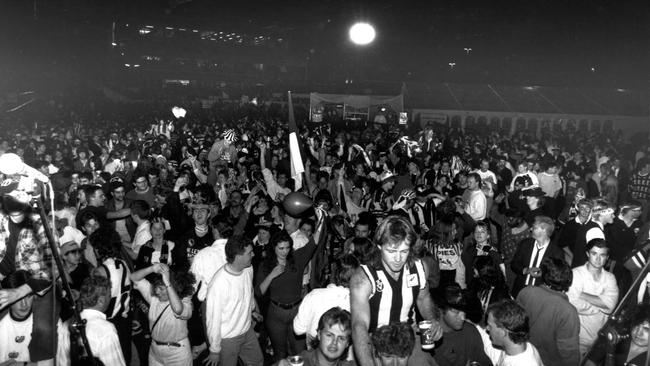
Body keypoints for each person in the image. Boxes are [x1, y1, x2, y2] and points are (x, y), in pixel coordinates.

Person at [350, 215, 441, 366]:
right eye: (392, 251)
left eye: (404, 251)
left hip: (408, 337)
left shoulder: (418, 268)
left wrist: (432, 319)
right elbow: (359, 325)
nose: (398, 258)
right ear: (379, 247)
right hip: (376, 340)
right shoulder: (363, 277)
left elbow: (423, 298)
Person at [204, 235, 264, 366]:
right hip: (228, 338)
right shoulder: (218, 284)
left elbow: (248, 292)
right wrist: (214, 350)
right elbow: (213, 320)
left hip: (247, 330)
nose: (253, 255)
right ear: (238, 256)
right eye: (250, 253)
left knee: (257, 362)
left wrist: (252, 310)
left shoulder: (248, 269)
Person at [516, 258, 580, 366]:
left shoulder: (526, 292)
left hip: (522, 357)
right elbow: (569, 353)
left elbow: (514, 325)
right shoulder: (568, 311)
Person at [131, 263, 196, 366]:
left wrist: (167, 282)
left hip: (177, 353)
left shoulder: (185, 301)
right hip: (155, 351)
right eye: (156, 287)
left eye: (161, 288)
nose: (157, 291)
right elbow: (134, 278)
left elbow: (178, 309)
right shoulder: (155, 299)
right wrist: (152, 268)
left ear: (173, 287)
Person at [57, 276, 127, 366]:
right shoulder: (106, 330)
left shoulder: (66, 324)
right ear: (101, 301)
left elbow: (61, 361)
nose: (111, 298)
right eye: (109, 295)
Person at [567, 238, 619, 357]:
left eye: (602, 255)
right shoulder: (575, 274)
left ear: (607, 257)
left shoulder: (610, 278)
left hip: (600, 339)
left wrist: (581, 294)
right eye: (594, 253)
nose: (598, 259)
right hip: (578, 337)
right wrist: (597, 307)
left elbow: (610, 306)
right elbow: (572, 303)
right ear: (587, 254)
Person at [293, 255, 357, 346]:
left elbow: (298, 330)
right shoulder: (359, 303)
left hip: (316, 352)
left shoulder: (314, 295)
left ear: (333, 274)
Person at [432, 284, 492, 366]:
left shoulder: (470, 332)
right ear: (440, 311)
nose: (463, 317)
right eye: (456, 312)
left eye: (464, 311)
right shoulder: (429, 337)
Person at [277, 307, 355, 366]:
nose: (334, 342)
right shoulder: (301, 362)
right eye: (329, 335)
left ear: (347, 343)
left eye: (341, 338)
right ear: (319, 335)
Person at [510, 215, 564, 296]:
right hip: (520, 290)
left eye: (534, 228)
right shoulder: (525, 244)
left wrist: (543, 274)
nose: (530, 229)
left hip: (540, 295)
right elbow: (514, 264)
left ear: (544, 230)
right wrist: (526, 270)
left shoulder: (557, 252)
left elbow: (557, 276)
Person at [478, 299, 544, 366]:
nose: (487, 328)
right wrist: (474, 327)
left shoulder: (525, 363)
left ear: (503, 332)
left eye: (490, 326)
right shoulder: (517, 348)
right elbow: (496, 355)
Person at [585, 304, 650, 366]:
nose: (638, 333)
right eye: (636, 326)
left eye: (646, 329)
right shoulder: (617, 340)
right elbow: (591, 361)